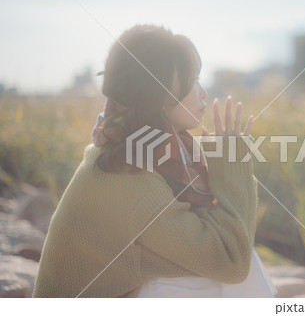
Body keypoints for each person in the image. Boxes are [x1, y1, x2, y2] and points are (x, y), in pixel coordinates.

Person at [32, 24, 277, 298]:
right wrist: (232, 163)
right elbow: (232, 260)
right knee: (228, 270)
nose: (203, 92)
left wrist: (228, 160)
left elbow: (226, 246)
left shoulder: (126, 151)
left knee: (231, 259)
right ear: (158, 95)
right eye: (191, 81)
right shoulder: (131, 180)